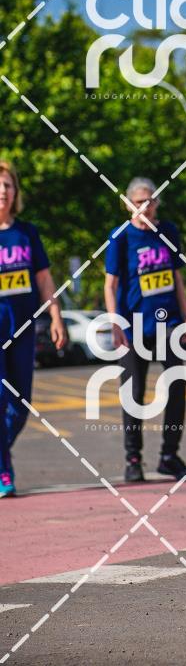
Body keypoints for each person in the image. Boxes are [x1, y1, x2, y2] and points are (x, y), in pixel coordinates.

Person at [104, 177, 186, 483]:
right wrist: (115, 322)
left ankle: (169, 456)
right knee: (134, 394)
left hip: (168, 324)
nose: (145, 207)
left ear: (156, 203)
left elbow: (176, 278)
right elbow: (110, 284)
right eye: (139, 202)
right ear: (128, 205)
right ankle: (133, 458)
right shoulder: (120, 237)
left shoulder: (167, 232)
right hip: (133, 327)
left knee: (176, 388)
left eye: (150, 201)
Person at [0, 160, 66, 497]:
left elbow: (43, 278)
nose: (2, 191)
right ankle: (3, 471)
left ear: (16, 192)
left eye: (8, 185)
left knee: (21, 403)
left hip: (23, 327)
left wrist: (55, 315)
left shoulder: (27, 233)